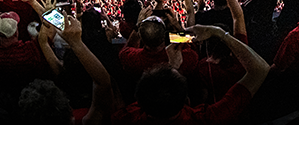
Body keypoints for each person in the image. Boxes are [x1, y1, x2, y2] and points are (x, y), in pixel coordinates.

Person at [112, 24, 271, 124]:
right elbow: (261, 69)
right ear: (187, 100)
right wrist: (219, 33)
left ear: (138, 101)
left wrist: (172, 67)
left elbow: (106, 81)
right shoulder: (209, 118)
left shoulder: (124, 119)